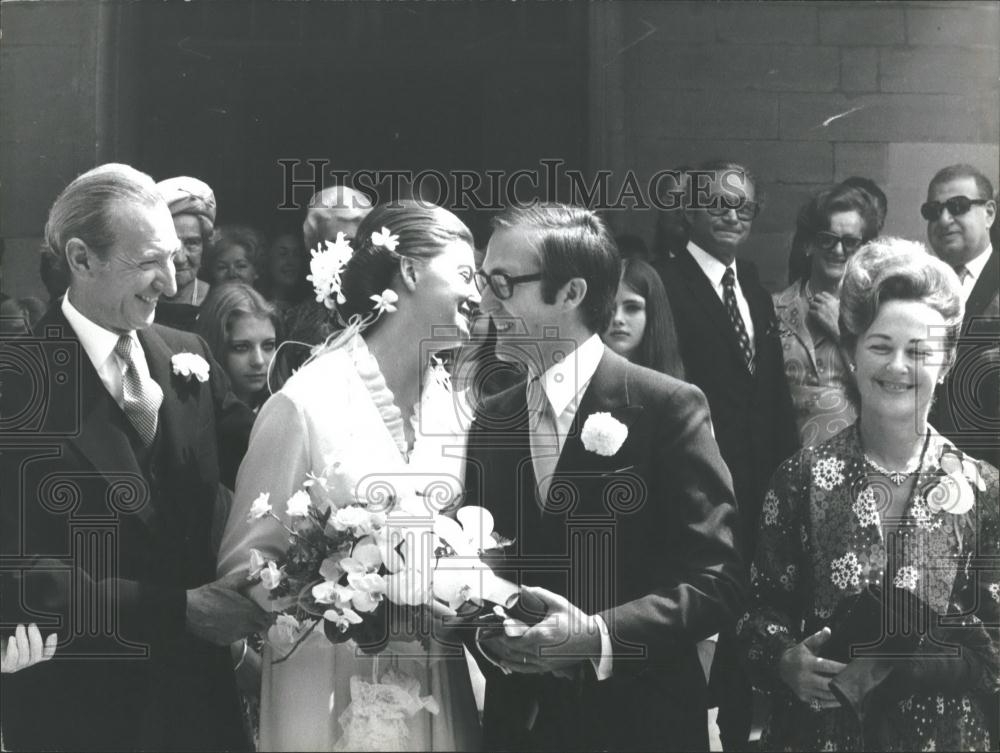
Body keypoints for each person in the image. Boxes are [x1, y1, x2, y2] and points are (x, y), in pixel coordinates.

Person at [0, 163, 268, 751]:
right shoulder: (14, 384)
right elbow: (17, 572)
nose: (170, 284)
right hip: (79, 710)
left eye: (175, 258)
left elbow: (264, 460)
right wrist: (179, 610)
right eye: (148, 262)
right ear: (80, 258)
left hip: (198, 710)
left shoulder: (187, 355)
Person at [464, 203, 746, 751]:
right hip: (520, 730)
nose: (483, 301)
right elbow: (482, 563)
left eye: (502, 283)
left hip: (638, 724)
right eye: (483, 280)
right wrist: (486, 630)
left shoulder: (667, 407)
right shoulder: (492, 418)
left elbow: (719, 583)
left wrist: (596, 638)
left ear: (571, 294)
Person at [216, 200, 483, 751]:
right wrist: (354, 598)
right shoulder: (306, 402)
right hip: (329, 684)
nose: (477, 294)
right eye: (464, 274)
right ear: (409, 271)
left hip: (437, 676)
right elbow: (246, 565)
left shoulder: (458, 410)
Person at [739, 237, 1000, 751]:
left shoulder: (982, 488)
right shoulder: (801, 477)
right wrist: (783, 658)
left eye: (919, 351)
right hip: (823, 732)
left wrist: (923, 660)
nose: (898, 366)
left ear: (946, 364)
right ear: (853, 354)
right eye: (880, 346)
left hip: (946, 737)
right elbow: (757, 610)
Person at [656, 162, 799, 749]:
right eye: (717, 203)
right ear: (687, 211)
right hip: (694, 489)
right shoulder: (665, 283)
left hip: (757, 491)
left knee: (744, 631)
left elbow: (765, 398)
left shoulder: (754, 290)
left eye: (744, 206)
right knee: (695, 641)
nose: (732, 215)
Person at [774, 184, 879, 447]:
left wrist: (844, 335)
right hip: (783, 454)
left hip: (857, 457)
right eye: (827, 239)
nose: (839, 250)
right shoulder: (771, 309)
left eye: (851, 242)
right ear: (809, 244)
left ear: (863, 249)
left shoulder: (875, 313)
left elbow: (883, 393)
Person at [923, 164, 998, 471]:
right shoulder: (918, 284)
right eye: (933, 210)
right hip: (925, 470)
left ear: (989, 213)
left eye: (958, 206)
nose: (944, 219)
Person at [195, 282, 279, 413]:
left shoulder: (282, 408)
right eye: (241, 348)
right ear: (215, 346)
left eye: (268, 346)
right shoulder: (199, 416)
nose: (259, 361)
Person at [602, 256, 684, 379]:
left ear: (652, 313)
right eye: (609, 309)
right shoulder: (576, 381)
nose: (618, 319)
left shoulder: (677, 392)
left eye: (632, 308)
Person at [154, 175, 217, 330]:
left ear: (205, 246)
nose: (180, 259)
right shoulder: (135, 300)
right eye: (172, 244)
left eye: (192, 243)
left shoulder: (218, 301)